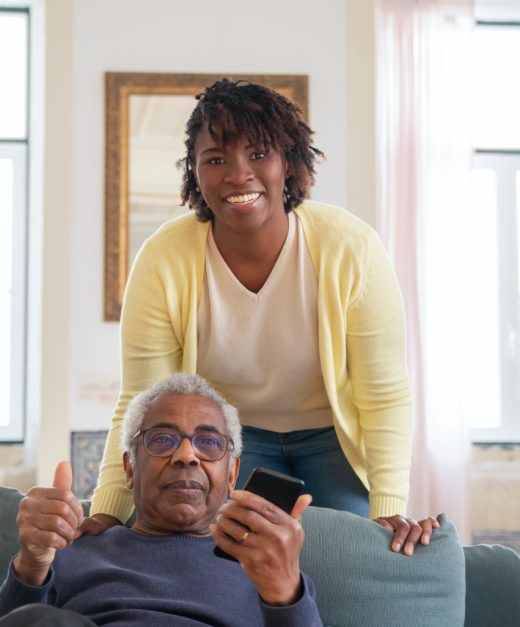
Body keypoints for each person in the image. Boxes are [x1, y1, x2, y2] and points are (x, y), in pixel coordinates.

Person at [89, 77, 437, 553]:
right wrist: (107, 509)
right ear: (194, 174)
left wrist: (387, 503)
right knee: (228, 560)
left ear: (288, 164)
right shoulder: (162, 260)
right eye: (215, 160)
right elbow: (143, 400)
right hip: (231, 436)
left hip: (332, 437)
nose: (238, 174)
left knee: (346, 559)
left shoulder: (350, 249)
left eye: (258, 154)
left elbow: (385, 394)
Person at [0, 373, 347, 627]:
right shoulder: (73, 548)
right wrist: (32, 564)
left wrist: (285, 593)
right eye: (163, 440)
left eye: (209, 442)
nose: (187, 456)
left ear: (232, 474)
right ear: (129, 468)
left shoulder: (268, 568)